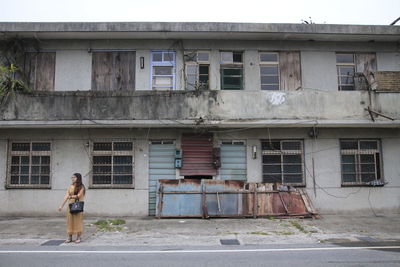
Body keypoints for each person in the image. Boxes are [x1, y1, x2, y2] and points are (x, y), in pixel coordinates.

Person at [58, 173, 86, 243]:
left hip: (78, 206)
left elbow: (79, 196)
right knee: (70, 221)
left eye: (74, 177)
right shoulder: (70, 186)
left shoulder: (81, 187)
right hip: (70, 206)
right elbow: (66, 196)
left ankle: (78, 237)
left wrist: (70, 197)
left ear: (78, 178)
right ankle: (69, 237)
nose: (72, 178)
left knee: (78, 221)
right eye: (72, 177)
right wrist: (61, 206)